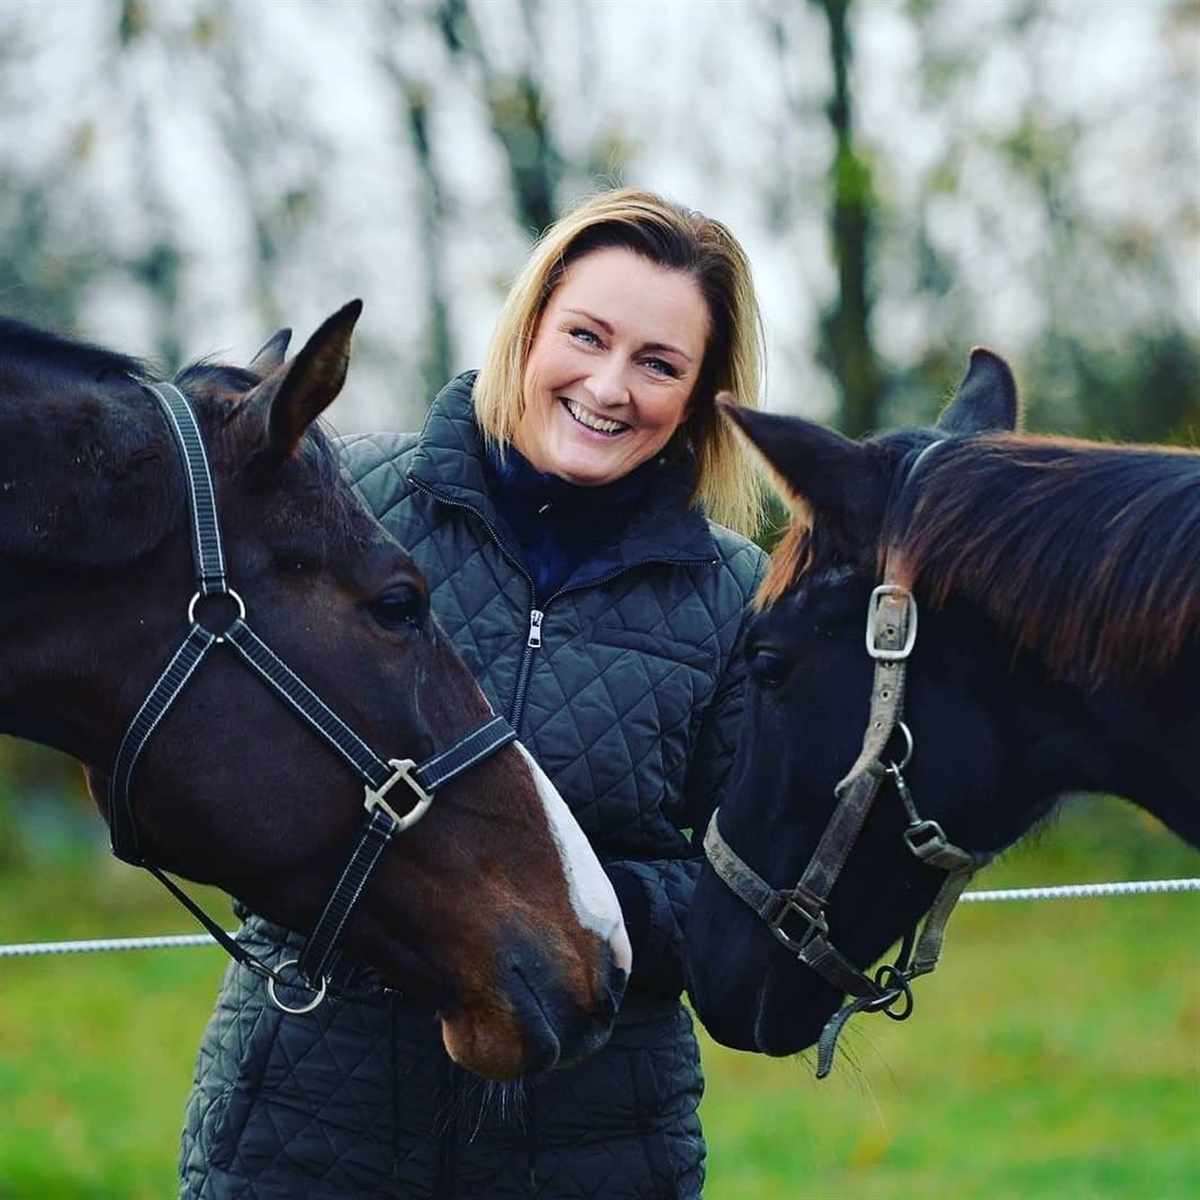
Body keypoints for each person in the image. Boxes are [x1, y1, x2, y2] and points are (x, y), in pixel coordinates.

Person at [179, 186, 769, 1200]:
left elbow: (745, 883)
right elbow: (221, 783)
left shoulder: (734, 597)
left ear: (703, 395)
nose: (609, 386)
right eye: (586, 335)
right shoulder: (352, 501)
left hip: (597, 1143)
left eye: (659, 364)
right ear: (528, 328)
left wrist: (588, 910)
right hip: (308, 1122)